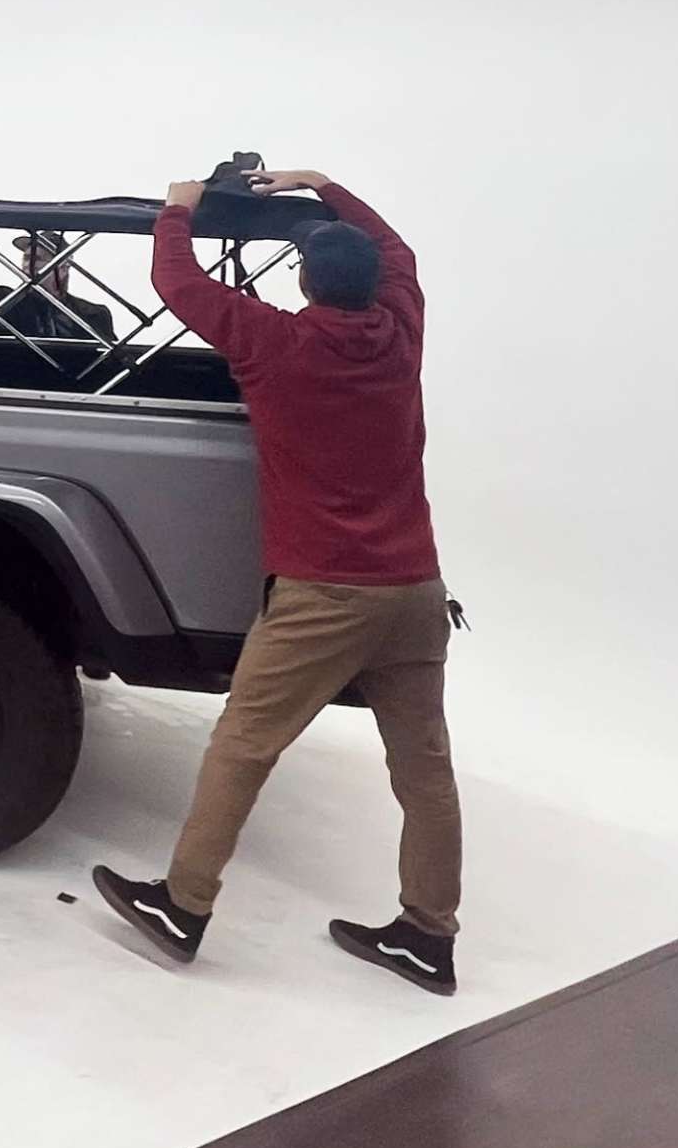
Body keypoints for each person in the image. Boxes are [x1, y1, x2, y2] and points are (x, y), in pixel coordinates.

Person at [91, 167, 466, 994]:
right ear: (373, 285)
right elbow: (399, 250)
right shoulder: (402, 329)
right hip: (416, 589)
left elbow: (176, 281)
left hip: (322, 594)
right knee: (425, 770)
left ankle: (182, 905)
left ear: (304, 282)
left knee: (244, 744)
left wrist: (178, 208)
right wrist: (324, 183)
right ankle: (428, 934)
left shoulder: (276, 343)